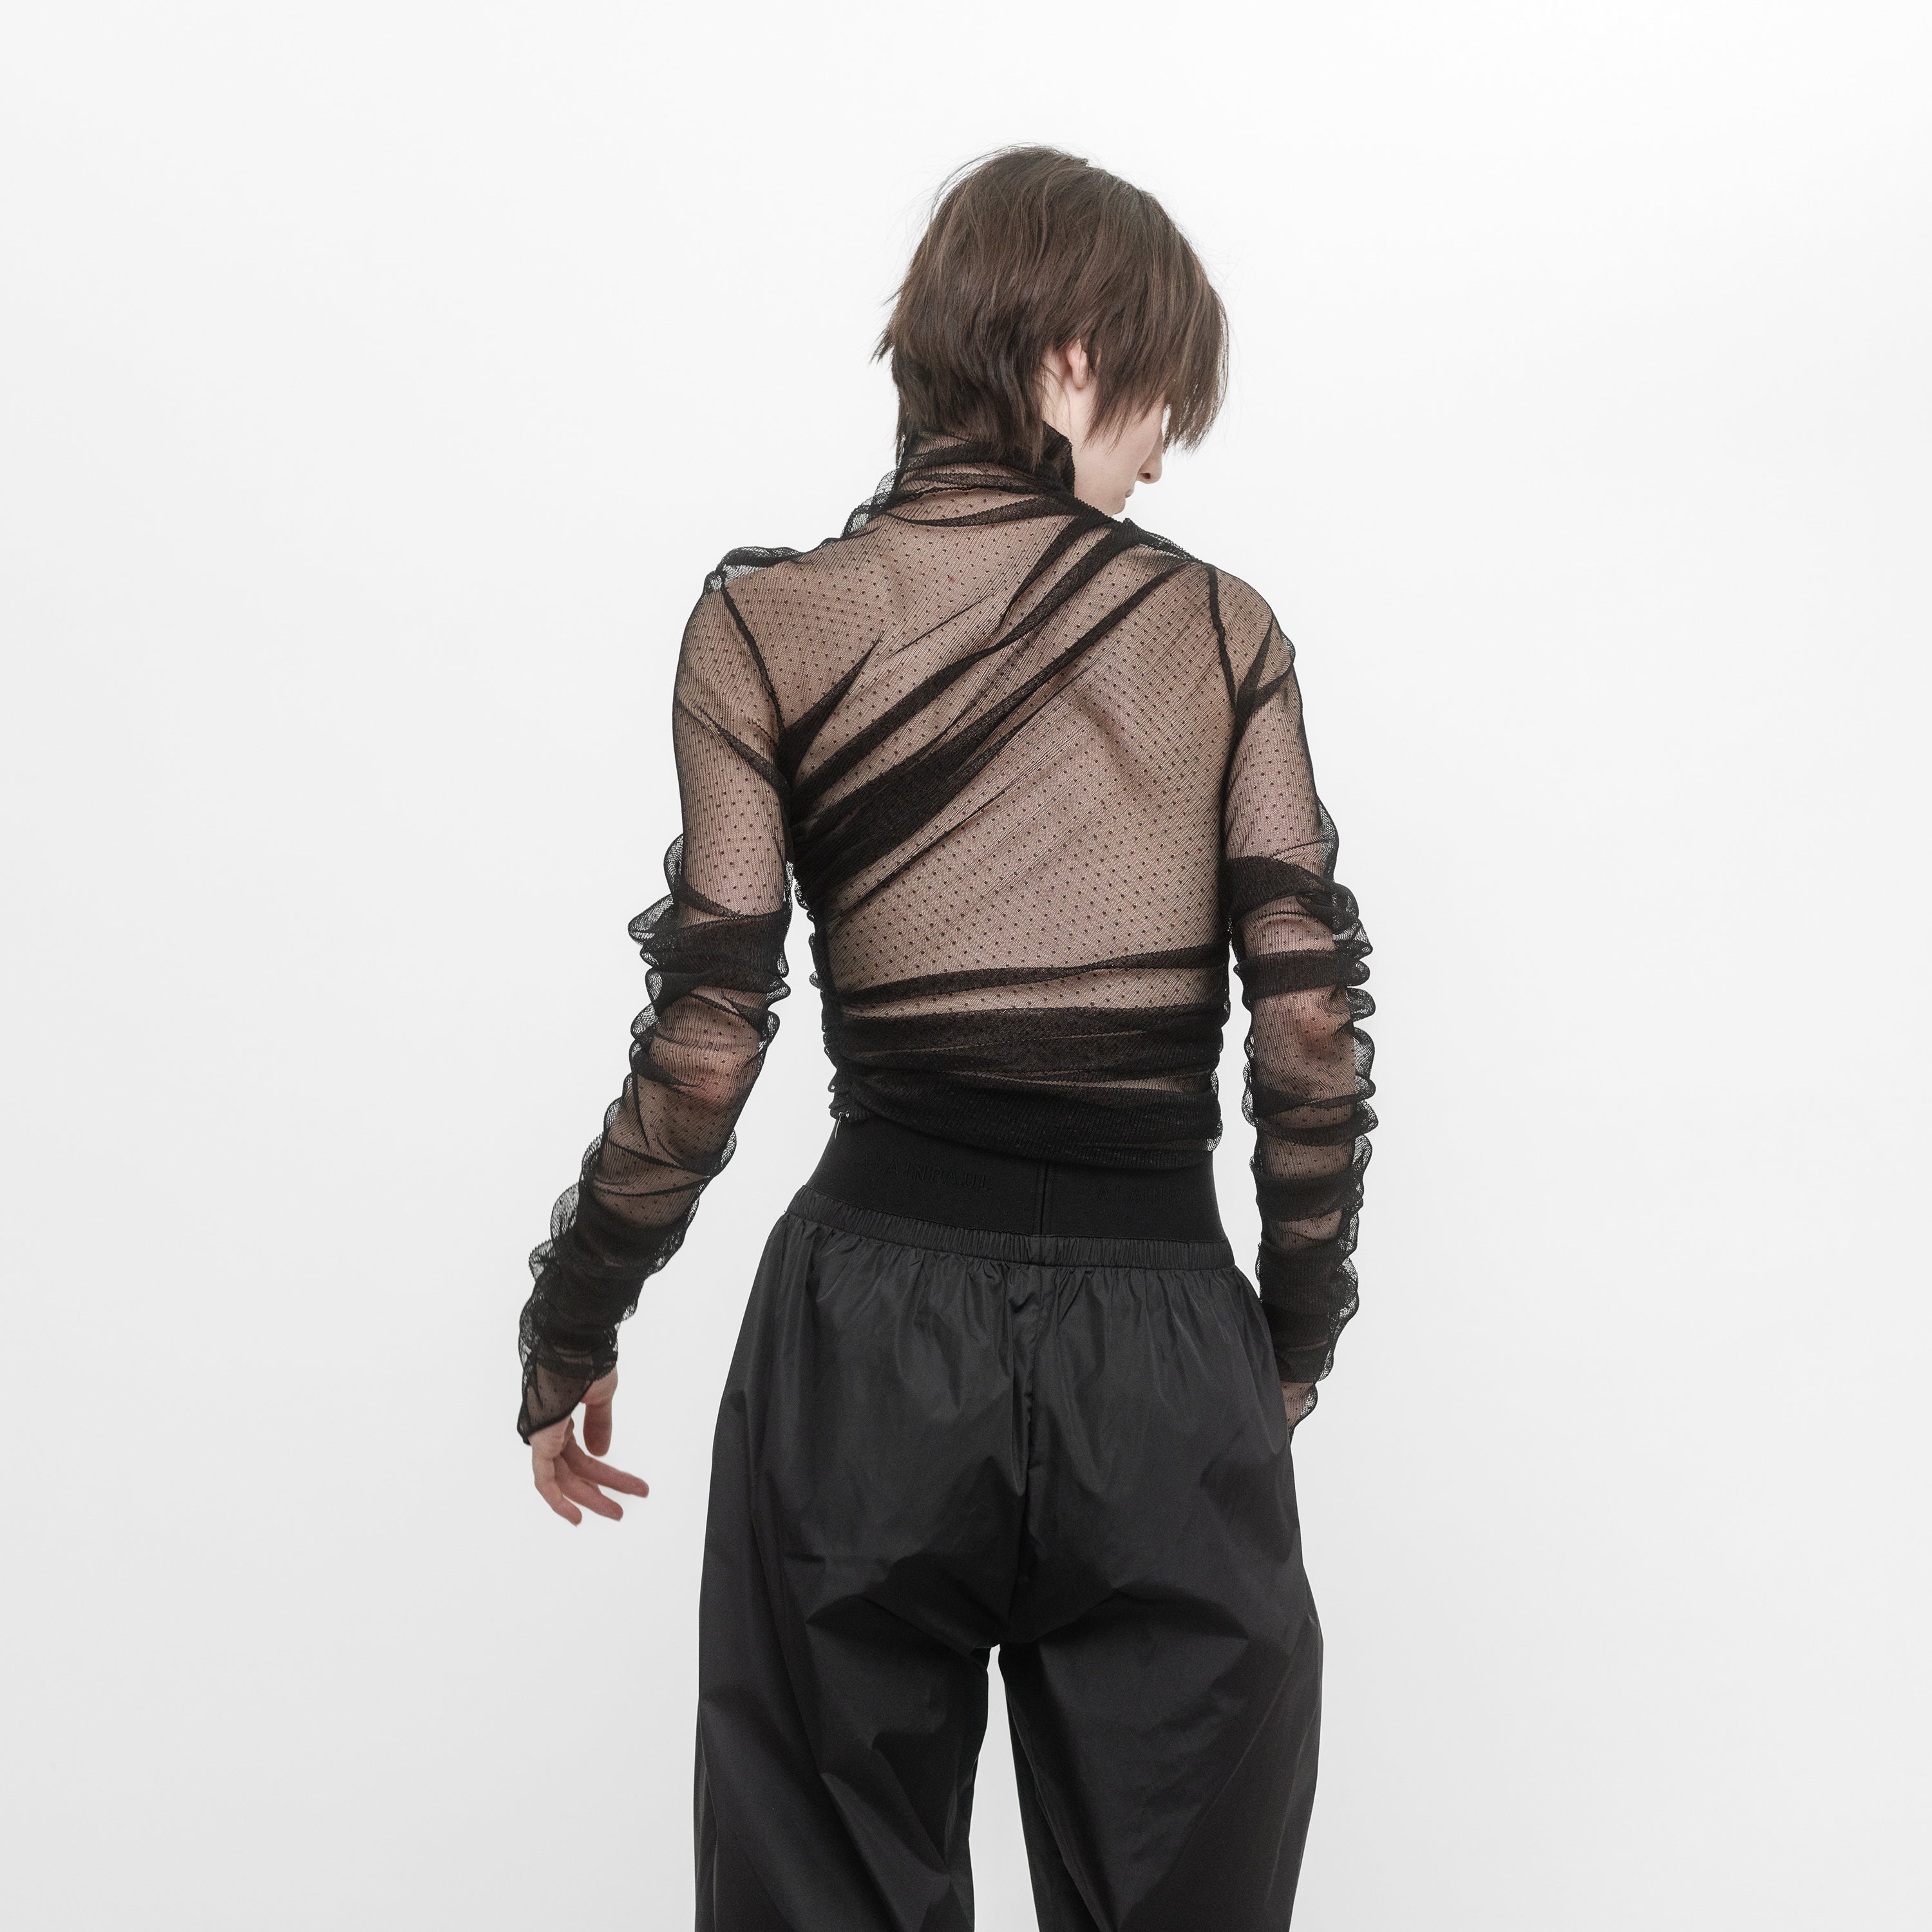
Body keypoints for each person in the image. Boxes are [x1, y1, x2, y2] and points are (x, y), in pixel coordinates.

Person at [516, 146, 1377, 1931]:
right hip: (1164, 1353)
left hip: (865, 1347)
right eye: (1160, 399)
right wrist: (1282, 1342)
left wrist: (574, 1315)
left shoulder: (768, 628)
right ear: (1070, 356)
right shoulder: (1223, 638)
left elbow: (707, 1041)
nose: (1164, 458)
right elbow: (1307, 1029)